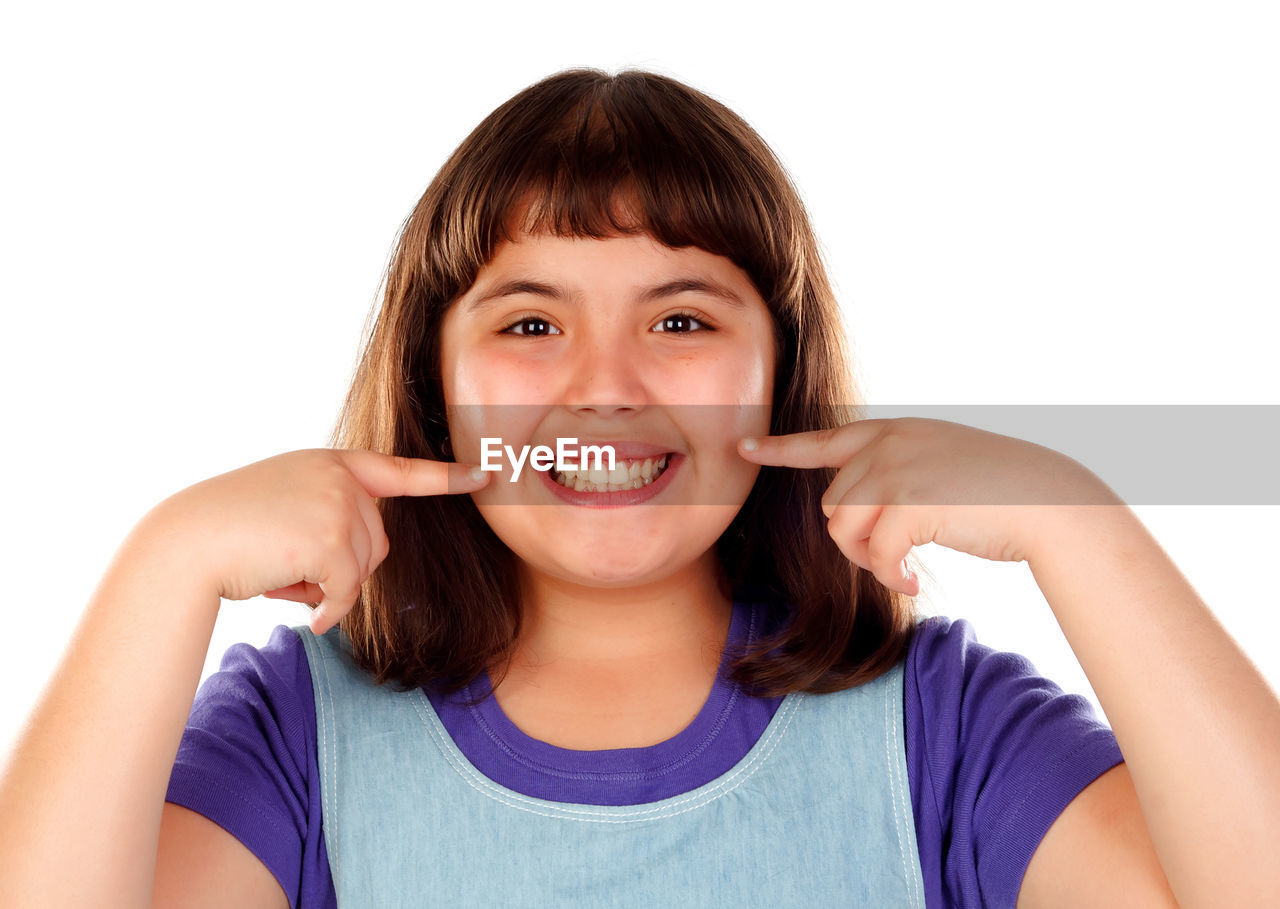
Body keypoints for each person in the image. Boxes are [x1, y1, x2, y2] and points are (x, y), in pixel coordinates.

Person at [1, 67, 1276, 909]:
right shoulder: (297, 733)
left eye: (678, 323)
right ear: (431, 382)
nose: (604, 389)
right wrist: (160, 563)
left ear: (780, 373)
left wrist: (1084, 527)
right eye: (529, 326)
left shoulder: (936, 728)